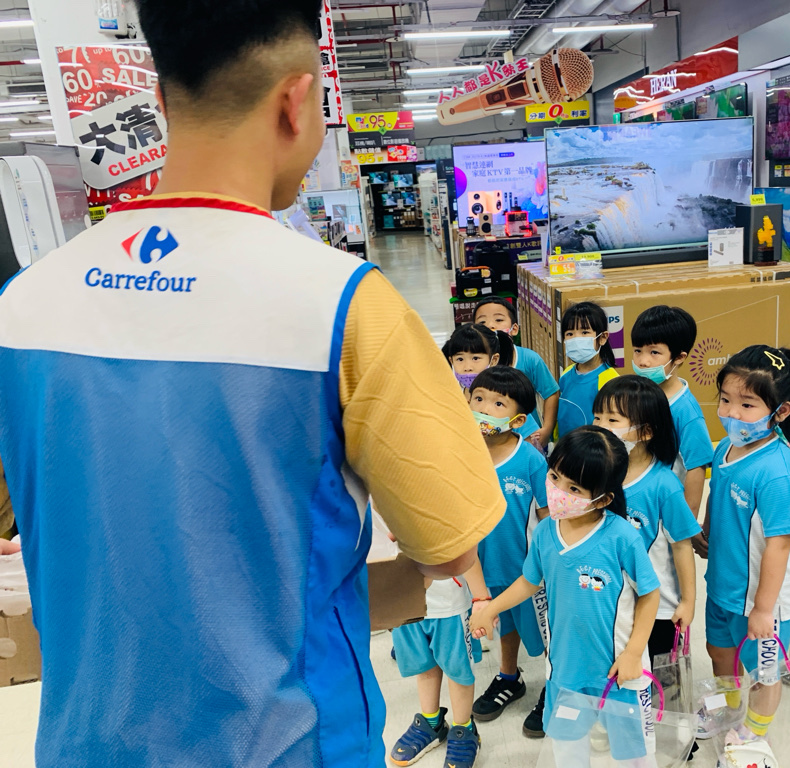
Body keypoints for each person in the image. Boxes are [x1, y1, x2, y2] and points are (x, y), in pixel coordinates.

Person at [0, 3, 505, 766]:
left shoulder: (23, 305)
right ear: (296, 102)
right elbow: (449, 546)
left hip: (85, 743)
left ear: (161, 99)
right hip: (286, 746)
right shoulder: (343, 305)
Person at [469, 427, 661, 763]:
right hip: (565, 669)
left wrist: (633, 653)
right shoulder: (545, 532)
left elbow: (649, 594)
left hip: (618, 672)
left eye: (574, 488)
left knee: (632, 755)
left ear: (603, 499)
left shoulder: (621, 538)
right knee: (568, 750)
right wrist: (490, 608)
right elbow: (529, 581)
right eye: (555, 477)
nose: (558, 491)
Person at [702, 345, 790, 764]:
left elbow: (780, 545)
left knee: (764, 673)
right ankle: (728, 707)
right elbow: (717, 495)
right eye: (726, 399)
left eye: (747, 405)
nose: (732, 413)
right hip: (723, 585)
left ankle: (754, 732)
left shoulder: (777, 471)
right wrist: (706, 529)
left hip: (763, 601)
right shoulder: (725, 448)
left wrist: (764, 610)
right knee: (719, 653)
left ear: (780, 412)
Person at [465, 367, 551, 737]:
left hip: (527, 572)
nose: (484, 408)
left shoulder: (530, 460)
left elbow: (547, 516)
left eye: (498, 404)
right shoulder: (464, 453)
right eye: (478, 399)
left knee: (547, 634)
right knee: (504, 625)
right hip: (482, 569)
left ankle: (555, 685)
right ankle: (509, 676)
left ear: (517, 420)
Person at [592, 376, 699, 662]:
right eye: (597, 417)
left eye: (612, 420)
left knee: (658, 677)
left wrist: (688, 602)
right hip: (610, 599)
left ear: (646, 431)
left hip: (658, 607)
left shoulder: (664, 485)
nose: (599, 426)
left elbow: (681, 546)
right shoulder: (596, 474)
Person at [389, 553, 490, 768]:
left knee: (458, 671)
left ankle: (464, 727)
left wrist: (481, 599)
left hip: (449, 602)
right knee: (422, 664)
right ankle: (431, 722)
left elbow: (465, 547)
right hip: (403, 598)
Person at [630, 305, 714, 556]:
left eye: (654, 352)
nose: (643, 360)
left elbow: (696, 468)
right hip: (638, 508)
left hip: (665, 515)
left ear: (679, 357)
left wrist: (685, 526)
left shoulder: (685, 410)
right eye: (638, 350)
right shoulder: (639, 395)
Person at [474, 297, 560, 450]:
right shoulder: (474, 365)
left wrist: (547, 429)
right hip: (486, 440)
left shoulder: (529, 359)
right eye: (482, 322)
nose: (490, 325)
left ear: (514, 329)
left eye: (499, 320)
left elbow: (551, 393)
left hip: (528, 439)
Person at [443, 324, 543, 441]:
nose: (467, 367)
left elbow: (529, 440)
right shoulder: (449, 399)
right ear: (451, 361)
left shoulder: (508, 394)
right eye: (460, 359)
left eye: (475, 358)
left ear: (494, 360)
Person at [557, 302, 619, 437]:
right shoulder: (566, 374)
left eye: (584, 332)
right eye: (570, 333)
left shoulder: (610, 381)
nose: (576, 339)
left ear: (602, 338)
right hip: (565, 445)